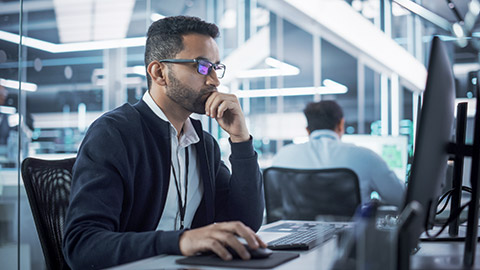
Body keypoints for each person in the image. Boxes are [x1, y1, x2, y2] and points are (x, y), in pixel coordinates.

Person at [63, 16, 265, 269]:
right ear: (159, 73)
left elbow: (245, 222)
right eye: (202, 67)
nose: (215, 80)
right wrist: (180, 241)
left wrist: (241, 139)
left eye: (216, 67)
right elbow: (82, 245)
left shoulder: (203, 144)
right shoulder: (114, 134)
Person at [272, 100, 405, 207]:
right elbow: (402, 198)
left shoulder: (283, 156)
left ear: (307, 130)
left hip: (296, 239)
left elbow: (271, 202)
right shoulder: (367, 157)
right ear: (341, 124)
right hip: (350, 240)